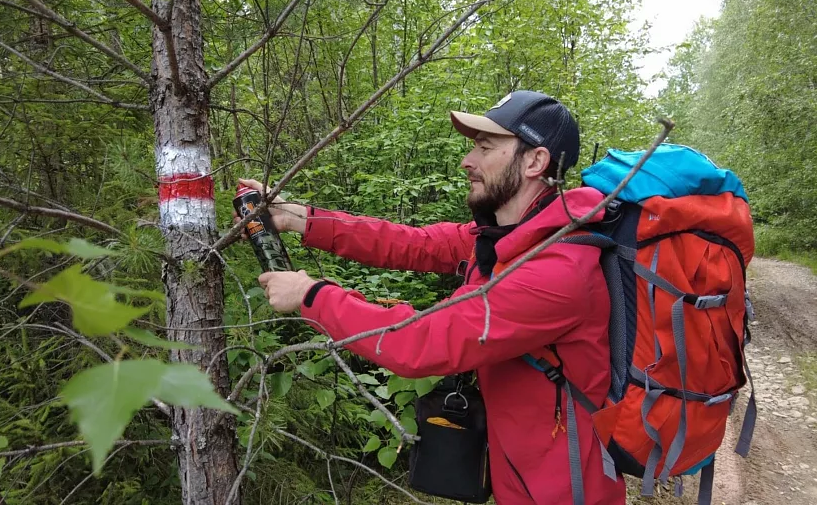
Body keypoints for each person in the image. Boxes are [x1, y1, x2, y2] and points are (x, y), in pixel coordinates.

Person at [244, 90, 626, 504]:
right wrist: (298, 217)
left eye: (485, 148)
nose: (468, 160)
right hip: (522, 472)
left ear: (535, 161)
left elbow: (421, 341)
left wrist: (311, 295)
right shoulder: (510, 238)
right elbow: (411, 242)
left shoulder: (556, 271)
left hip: (567, 488)